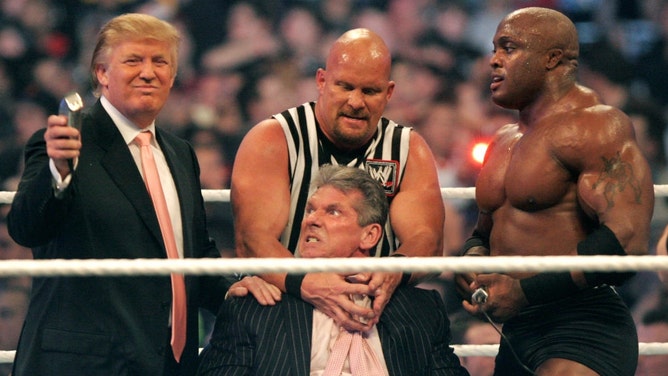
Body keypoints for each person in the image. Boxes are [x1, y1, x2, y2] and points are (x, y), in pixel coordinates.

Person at [6, 13, 278, 376]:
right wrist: (59, 171)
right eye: (133, 60)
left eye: (160, 61)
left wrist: (232, 291)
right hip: (84, 364)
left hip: (169, 362)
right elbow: (26, 229)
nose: (148, 72)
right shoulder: (64, 142)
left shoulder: (180, 153)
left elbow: (192, 252)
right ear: (102, 74)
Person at [455, 7, 654, 376]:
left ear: (552, 59)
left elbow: (627, 242)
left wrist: (524, 291)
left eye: (508, 48)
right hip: (516, 330)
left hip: (583, 326)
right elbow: (484, 232)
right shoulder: (502, 141)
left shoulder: (597, 127)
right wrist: (472, 262)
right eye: (494, 48)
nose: (494, 61)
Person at [230, 27, 445, 333]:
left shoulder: (409, 149)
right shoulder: (273, 139)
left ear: (389, 92)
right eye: (345, 87)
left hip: (373, 312)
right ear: (321, 81)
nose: (356, 102)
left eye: (369, 91)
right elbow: (253, 239)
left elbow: (428, 241)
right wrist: (310, 284)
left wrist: (393, 271)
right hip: (287, 308)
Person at [197, 165, 468, 375]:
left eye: (333, 212)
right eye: (310, 210)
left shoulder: (421, 310)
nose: (312, 220)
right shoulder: (258, 306)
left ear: (370, 235)